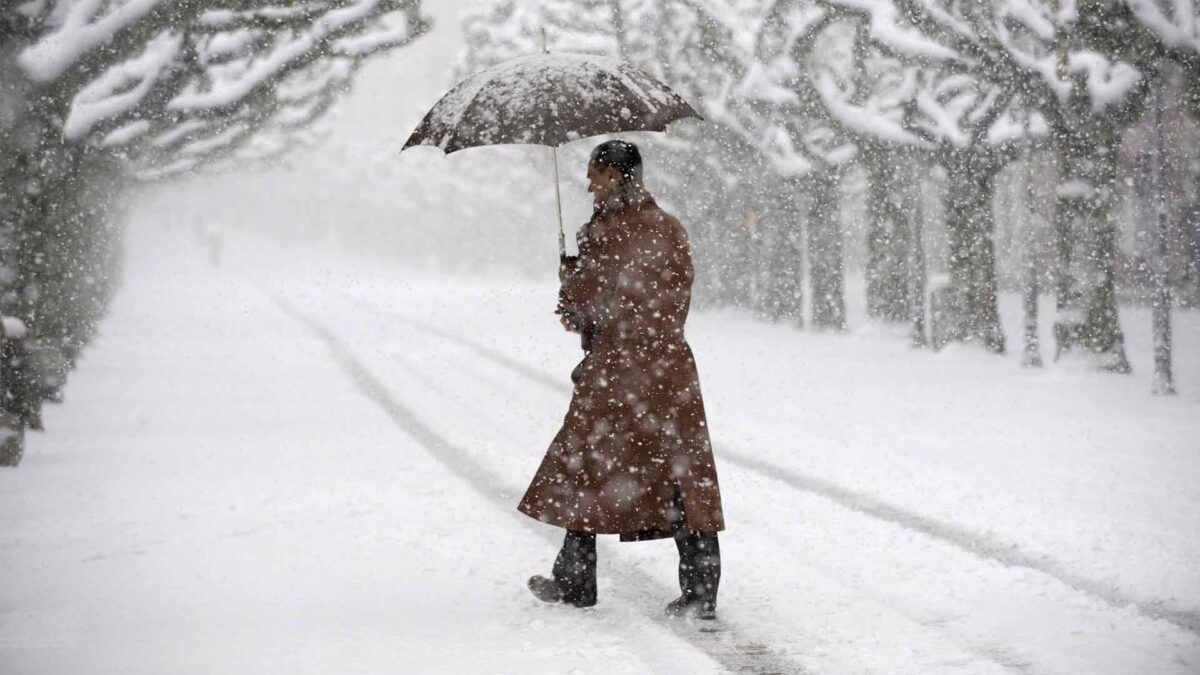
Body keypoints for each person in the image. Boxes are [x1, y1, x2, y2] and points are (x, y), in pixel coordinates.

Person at [518, 140, 725, 619]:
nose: (589, 183)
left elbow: (587, 311)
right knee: (680, 476)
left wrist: (572, 286)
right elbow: (665, 297)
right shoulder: (669, 228)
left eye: (594, 174)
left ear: (614, 174)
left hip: (617, 370)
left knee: (585, 465)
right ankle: (701, 591)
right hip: (669, 367)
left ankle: (575, 582)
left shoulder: (607, 233)